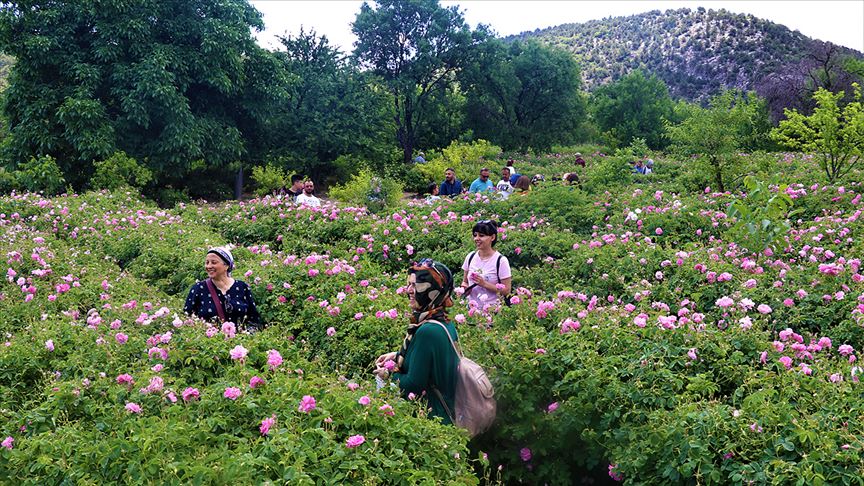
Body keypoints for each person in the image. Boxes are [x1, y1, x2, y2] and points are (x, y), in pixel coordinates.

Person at [374, 259, 459, 425]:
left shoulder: (427, 331)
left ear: (433, 290)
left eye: (417, 285)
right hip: (447, 411)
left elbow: (413, 385)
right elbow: (429, 362)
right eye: (409, 284)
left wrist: (388, 375)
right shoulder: (443, 321)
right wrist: (397, 355)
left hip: (432, 418)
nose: (409, 291)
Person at [184, 247, 262, 331]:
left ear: (227, 266)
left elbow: (254, 320)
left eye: (213, 262)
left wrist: (246, 336)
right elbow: (187, 319)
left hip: (241, 341)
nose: (209, 266)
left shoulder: (242, 287)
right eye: (207, 262)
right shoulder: (198, 289)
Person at [460, 220, 512, 309]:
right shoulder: (470, 257)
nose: (477, 238)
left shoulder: (500, 261)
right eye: (475, 235)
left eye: (481, 235)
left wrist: (484, 283)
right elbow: (465, 282)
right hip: (472, 312)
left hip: (493, 311)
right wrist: (464, 288)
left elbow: (507, 290)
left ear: (492, 237)